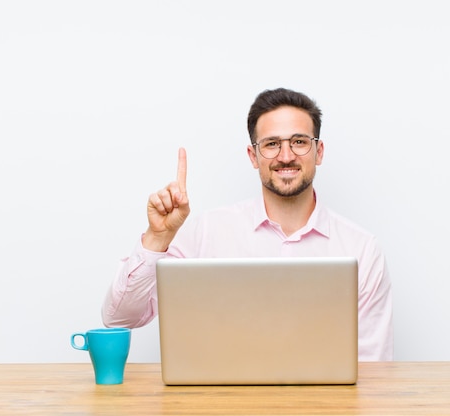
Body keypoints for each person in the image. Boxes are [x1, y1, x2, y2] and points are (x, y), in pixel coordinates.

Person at [102, 88, 393, 361]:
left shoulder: (362, 250)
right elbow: (120, 318)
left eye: (299, 142)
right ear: (254, 156)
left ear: (319, 152)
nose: (286, 155)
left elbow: (372, 367)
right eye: (272, 144)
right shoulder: (206, 233)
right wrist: (157, 238)